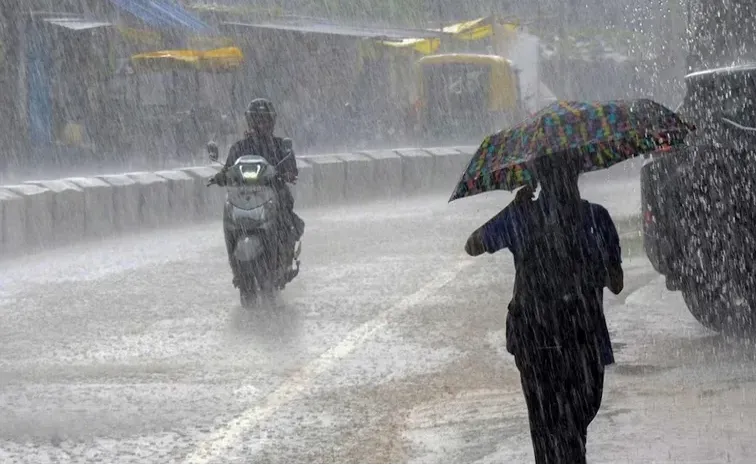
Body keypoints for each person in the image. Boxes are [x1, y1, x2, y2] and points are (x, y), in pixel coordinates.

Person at [464, 156, 624, 464]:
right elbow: (616, 283)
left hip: (535, 340)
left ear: (537, 179)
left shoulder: (523, 217)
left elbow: (473, 244)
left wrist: (513, 210)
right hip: (583, 340)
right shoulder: (596, 218)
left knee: (544, 430)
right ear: (577, 174)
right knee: (574, 431)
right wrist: (590, 267)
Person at [214, 98, 304, 288]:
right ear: (250, 122)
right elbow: (228, 168)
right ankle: (236, 267)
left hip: (273, 193)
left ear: (272, 122)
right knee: (229, 221)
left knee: (286, 216)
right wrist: (220, 176)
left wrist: (287, 173)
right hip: (244, 197)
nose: (261, 124)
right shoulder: (239, 148)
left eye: (265, 120)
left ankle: (284, 255)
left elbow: (291, 168)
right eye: (257, 120)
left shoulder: (280, 146)